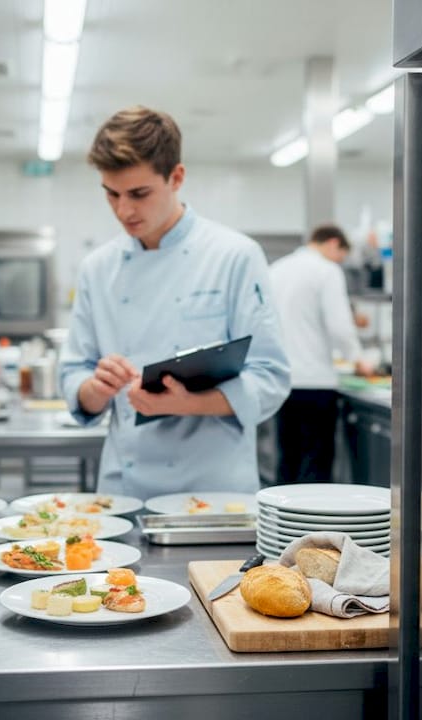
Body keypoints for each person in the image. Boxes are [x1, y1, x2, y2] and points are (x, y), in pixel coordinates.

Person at [58, 106, 290, 498]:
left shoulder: (234, 256)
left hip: (214, 493)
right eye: (111, 194)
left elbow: (270, 377)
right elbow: (73, 374)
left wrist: (188, 403)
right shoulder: (98, 268)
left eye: (139, 193)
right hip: (123, 490)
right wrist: (95, 389)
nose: (123, 210)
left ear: (176, 177)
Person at [269, 224, 375, 484]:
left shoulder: (276, 269)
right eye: (342, 255)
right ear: (332, 244)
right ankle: (313, 525)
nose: (340, 261)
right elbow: (340, 326)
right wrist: (359, 360)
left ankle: (284, 523)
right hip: (315, 383)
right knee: (314, 466)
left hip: (281, 382)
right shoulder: (327, 271)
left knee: (288, 461)